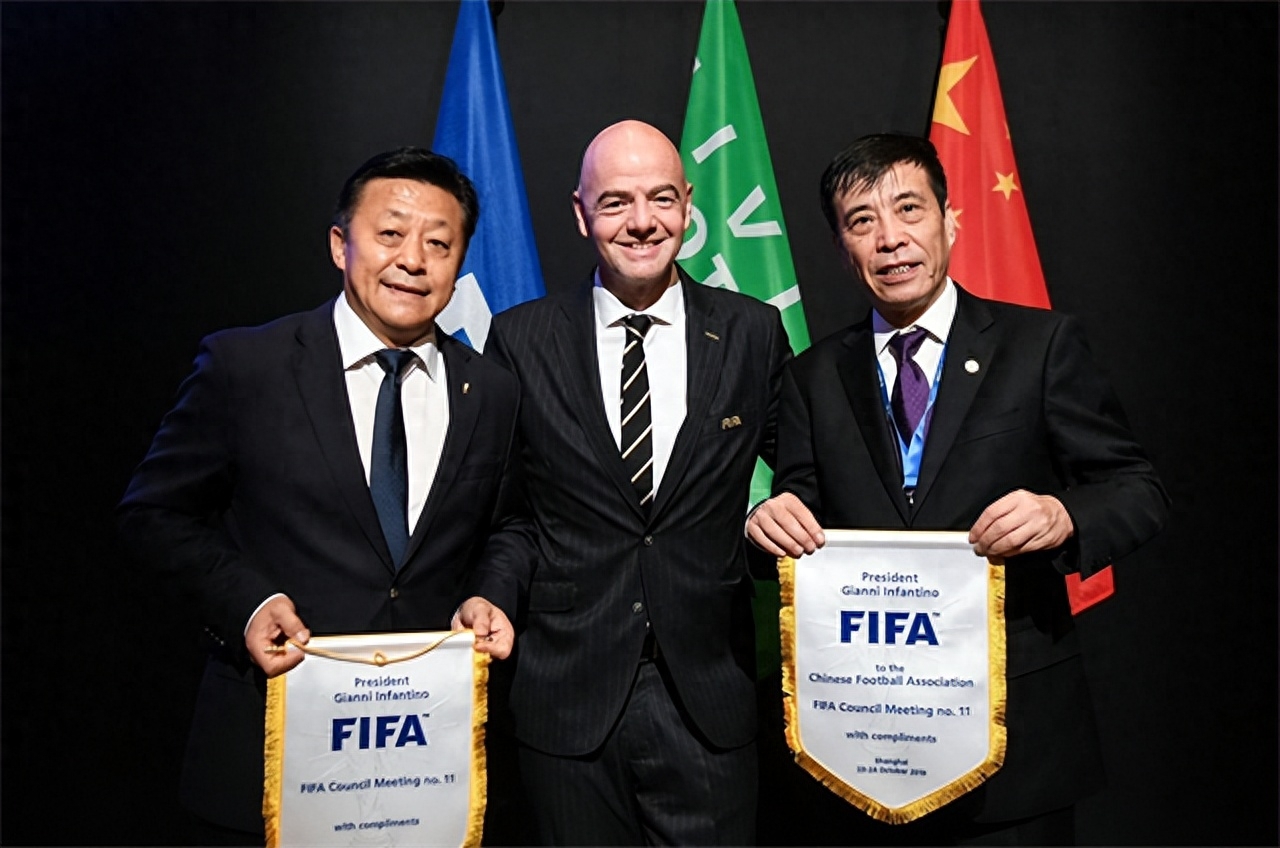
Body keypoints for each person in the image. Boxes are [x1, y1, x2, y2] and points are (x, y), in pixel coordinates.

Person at [748, 133, 1169, 845]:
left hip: (1015, 748)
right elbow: (800, 521)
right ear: (842, 247)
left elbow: (1137, 489)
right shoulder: (811, 378)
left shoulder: (1040, 346)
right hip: (863, 748)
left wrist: (1063, 513)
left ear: (950, 221)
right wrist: (769, 526)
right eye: (862, 221)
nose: (890, 238)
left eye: (909, 209)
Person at [117, 148, 518, 842]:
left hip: (427, 770)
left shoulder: (492, 390)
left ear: (460, 263)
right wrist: (248, 603)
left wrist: (492, 592)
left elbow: (510, 525)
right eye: (390, 234)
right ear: (340, 244)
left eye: (439, 243)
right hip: (268, 756)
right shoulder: (247, 366)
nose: (413, 260)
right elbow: (153, 514)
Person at [457, 119, 791, 845]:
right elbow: (508, 512)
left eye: (661, 198)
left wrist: (777, 514)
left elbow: (804, 474)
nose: (642, 221)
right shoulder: (519, 338)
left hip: (710, 696)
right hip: (566, 702)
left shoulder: (753, 331)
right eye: (615, 202)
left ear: (689, 205)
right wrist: (491, 593)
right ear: (581, 214)